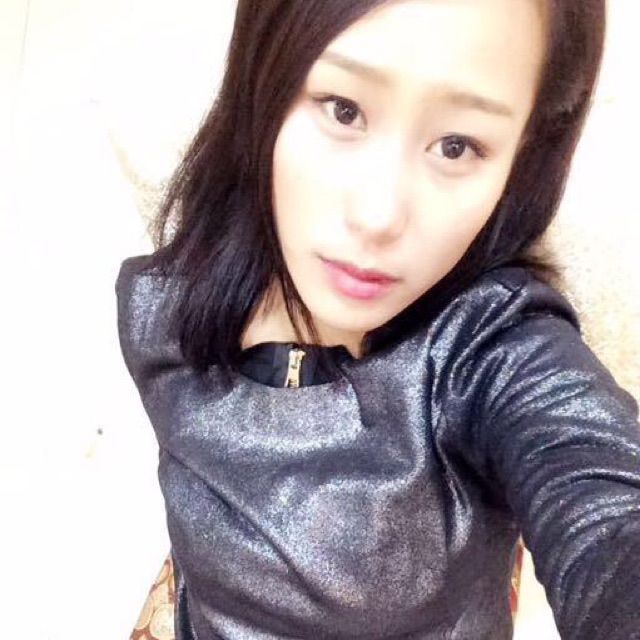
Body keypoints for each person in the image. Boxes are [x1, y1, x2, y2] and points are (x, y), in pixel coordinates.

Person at [115, 0, 640, 638]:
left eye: (456, 146)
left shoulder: (495, 349)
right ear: (262, 77)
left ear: (523, 156)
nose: (378, 215)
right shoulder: (162, 303)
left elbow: (608, 517)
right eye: (344, 109)